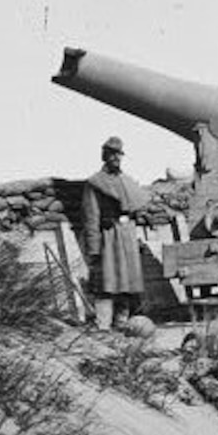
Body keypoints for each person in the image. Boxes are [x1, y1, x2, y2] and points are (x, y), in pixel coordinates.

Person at [81, 137, 152, 330]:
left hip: (127, 234)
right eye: (112, 154)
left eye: (119, 154)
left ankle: (123, 322)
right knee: (108, 282)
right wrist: (94, 248)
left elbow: (135, 204)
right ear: (104, 156)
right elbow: (91, 217)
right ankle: (103, 324)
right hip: (109, 236)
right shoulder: (95, 183)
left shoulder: (126, 181)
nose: (116, 158)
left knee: (127, 281)